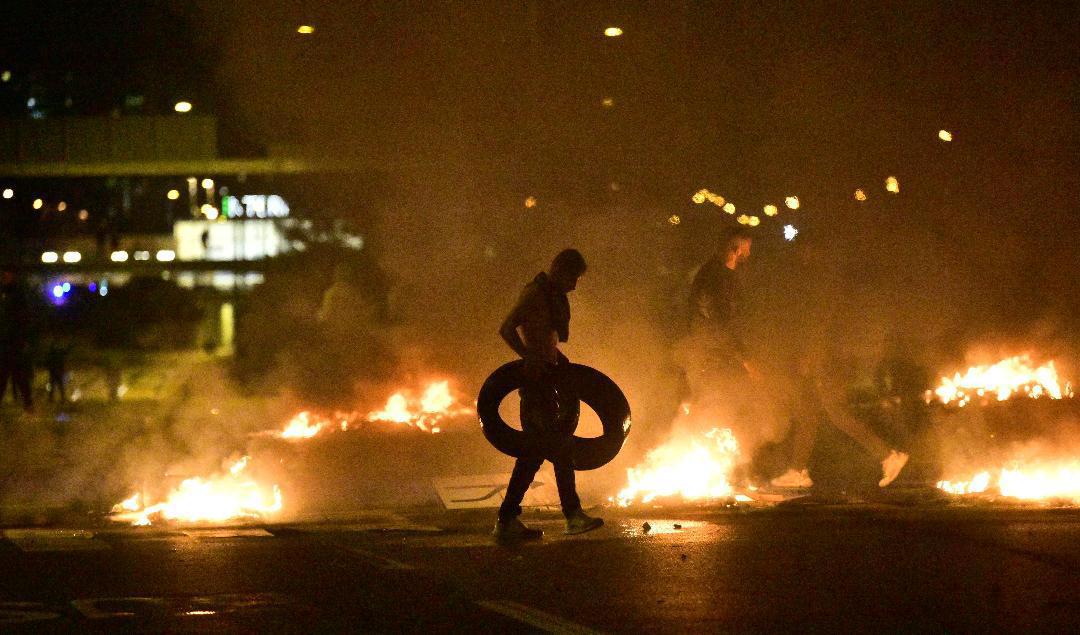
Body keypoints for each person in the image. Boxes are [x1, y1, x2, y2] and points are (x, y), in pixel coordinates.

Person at [493, 249, 603, 542]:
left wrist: (556, 360)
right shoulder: (535, 294)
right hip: (535, 385)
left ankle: (507, 519)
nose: (574, 286)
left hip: (546, 380)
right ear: (559, 270)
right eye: (572, 278)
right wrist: (527, 356)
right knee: (559, 447)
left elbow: (546, 340)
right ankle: (572, 515)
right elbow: (506, 328)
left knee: (532, 455)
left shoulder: (551, 295)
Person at [0, 270, 35, 413]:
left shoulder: (18, 294)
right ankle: (27, 402)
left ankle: (28, 402)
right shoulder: (4, 293)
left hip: (14, 341)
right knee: (3, 374)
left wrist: (23, 338)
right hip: (5, 341)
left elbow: (24, 318)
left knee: (19, 373)